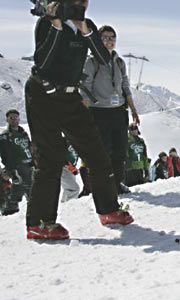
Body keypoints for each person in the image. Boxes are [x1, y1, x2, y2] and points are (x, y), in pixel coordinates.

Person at [24, 0, 133, 240]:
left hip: (71, 97)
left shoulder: (87, 25)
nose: (82, 3)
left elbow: (104, 59)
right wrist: (56, 26)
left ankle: (109, 210)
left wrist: (85, 29)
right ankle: (39, 223)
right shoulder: (47, 23)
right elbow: (43, 63)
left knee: (96, 152)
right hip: (43, 93)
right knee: (50, 157)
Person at [80, 24, 139, 195]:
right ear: (98, 41)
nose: (109, 41)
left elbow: (125, 86)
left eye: (112, 38)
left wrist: (133, 109)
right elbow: (85, 88)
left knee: (120, 150)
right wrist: (85, 112)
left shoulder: (119, 62)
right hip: (99, 112)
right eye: (105, 38)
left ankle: (117, 183)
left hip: (119, 111)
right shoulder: (92, 62)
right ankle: (101, 186)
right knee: (103, 151)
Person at [0, 109, 34, 216]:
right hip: (18, 165)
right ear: (7, 119)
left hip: (29, 164)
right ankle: (34, 210)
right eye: (11, 118)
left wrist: (34, 161)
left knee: (19, 188)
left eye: (16, 117)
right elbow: (5, 155)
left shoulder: (23, 133)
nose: (14, 120)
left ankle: (10, 207)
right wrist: (11, 170)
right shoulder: (5, 136)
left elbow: (29, 148)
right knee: (30, 187)